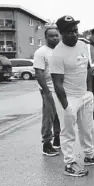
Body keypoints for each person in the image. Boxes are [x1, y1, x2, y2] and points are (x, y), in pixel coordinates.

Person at [50, 15, 94, 177]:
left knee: (86, 129)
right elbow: (57, 82)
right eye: (70, 32)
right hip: (68, 98)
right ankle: (69, 164)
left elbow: (88, 69)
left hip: (85, 96)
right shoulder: (57, 54)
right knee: (68, 132)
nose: (74, 35)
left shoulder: (83, 46)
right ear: (62, 33)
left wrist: (89, 92)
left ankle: (89, 156)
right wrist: (66, 106)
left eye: (76, 31)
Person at [33, 25, 61, 156]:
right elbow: (39, 73)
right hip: (48, 89)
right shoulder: (41, 52)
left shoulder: (61, 50)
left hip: (61, 88)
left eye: (56, 35)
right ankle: (46, 144)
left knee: (59, 116)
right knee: (48, 116)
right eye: (51, 36)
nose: (55, 38)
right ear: (46, 37)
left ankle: (57, 139)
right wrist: (47, 92)